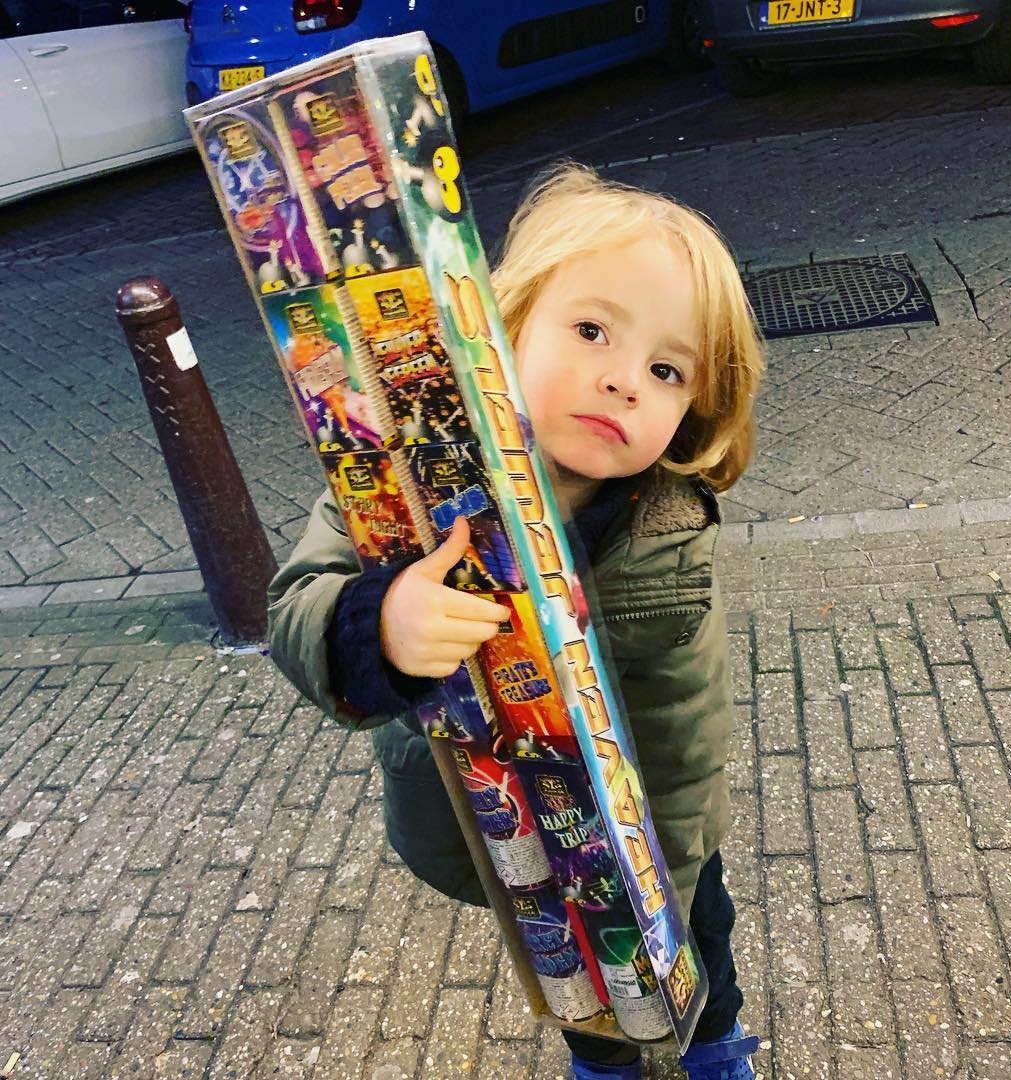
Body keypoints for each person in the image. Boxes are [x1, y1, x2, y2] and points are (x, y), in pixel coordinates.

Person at [267, 163, 765, 1080]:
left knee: (706, 960)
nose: (623, 380)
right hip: (498, 837)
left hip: (650, 851)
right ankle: (603, 1064)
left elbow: (689, 732)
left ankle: (715, 1051)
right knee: (572, 983)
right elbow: (296, 607)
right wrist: (381, 624)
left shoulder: (667, 532)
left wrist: (666, 888)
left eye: (665, 370)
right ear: (503, 324)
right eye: (591, 330)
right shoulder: (405, 480)